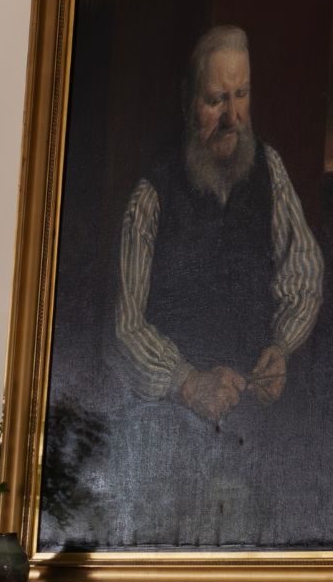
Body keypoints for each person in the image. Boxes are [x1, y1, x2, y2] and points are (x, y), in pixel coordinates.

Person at [112, 24, 325, 427]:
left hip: (256, 414)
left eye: (241, 95)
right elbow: (126, 329)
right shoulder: (151, 194)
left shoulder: (270, 168)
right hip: (171, 418)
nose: (232, 118)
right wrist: (188, 383)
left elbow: (305, 273)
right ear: (186, 100)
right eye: (215, 100)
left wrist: (281, 347)